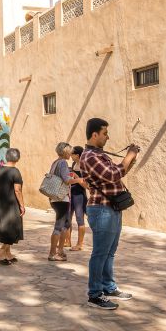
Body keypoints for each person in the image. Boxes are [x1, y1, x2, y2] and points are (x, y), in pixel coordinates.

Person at [81, 118, 139, 310]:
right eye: (105, 133)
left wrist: (131, 159)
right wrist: (129, 156)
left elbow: (117, 173)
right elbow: (113, 174)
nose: (108, 137)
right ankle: (95, 294)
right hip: (101, 209)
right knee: (100, 253)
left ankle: (108, 286)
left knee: (110, 253)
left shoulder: (98, 154)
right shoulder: (89, 156)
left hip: (112, 208)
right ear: (94, 134)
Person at [47, 142, 83, 262]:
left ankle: (60, 251)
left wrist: (71, 175)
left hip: (56, 198)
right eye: (70, 151)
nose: (71, 154)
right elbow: (66, 180)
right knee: (59, 226)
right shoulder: (63, 163)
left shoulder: (55, 162)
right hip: (61, 198)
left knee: (66, 224)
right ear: (66, 152)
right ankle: (53, 253)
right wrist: (78, 179)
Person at [0, 148, 25, 265]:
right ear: (18, 158)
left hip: (1, 204)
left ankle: (8, 254)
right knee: (12, 230)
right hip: (12, 205)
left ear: (7, 157)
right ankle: (0, 254)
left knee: (6, 229)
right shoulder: (15, 172)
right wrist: (22, 205)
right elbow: (17, 190)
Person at [65, 145, 89, 251]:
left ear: (77, 155)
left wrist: (76, 177)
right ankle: (67, 241)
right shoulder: (74, 164)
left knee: (80, 219)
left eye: (72, 154)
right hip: (71, 194)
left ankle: (79, 244)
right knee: (68, 219)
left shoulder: (84, 167)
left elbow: (86, 185)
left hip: (79, 195)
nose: (70, 155)